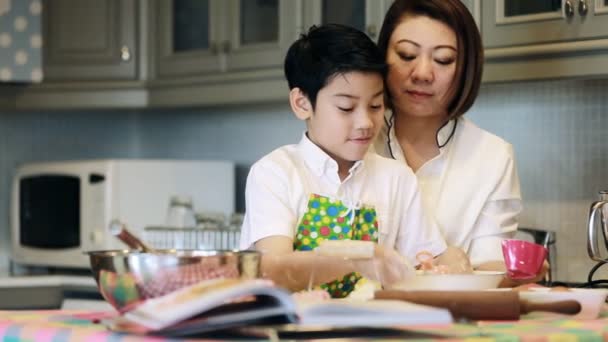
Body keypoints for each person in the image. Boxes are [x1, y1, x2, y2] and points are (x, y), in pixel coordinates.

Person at [239, 24, 450, 297]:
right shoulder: (275, 173)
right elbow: (272, 268)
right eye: (346, 108)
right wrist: (363, 258)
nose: (365, 122)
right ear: (302, 103)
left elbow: (426, 260)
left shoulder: (397, 178)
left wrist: (443, 263)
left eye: (375, 106)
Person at [373, 0, 543, 283]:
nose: (422, 73)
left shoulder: (492, 157)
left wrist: (519, 274)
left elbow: (490, 263)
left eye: (443, 60)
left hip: (453, 319)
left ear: (466, 67)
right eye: (406, 55)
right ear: (383, 56)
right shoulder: (353, 141)